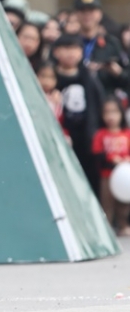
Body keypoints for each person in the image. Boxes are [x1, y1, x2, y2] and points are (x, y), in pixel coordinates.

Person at [53, 33, 104, 195]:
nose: (71, 53)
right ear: (56, 52)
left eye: (75, 49)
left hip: (85, 136)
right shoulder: (50, 76)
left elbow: (99, 103)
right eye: (66, 48)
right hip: (60, 134)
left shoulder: (88, 76)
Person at [73, 0, 128, 95]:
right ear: (76, 14)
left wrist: (117, 72)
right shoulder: (68, 42)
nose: (87, 15)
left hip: (107, 97)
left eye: (91, 10)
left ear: (100, 13)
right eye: (82, 11)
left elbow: (126, 78)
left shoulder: (112, 43)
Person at [92, 98, 130, 233]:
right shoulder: (100, 134)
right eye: (107, 112)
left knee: (124, 204)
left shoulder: (127, 134)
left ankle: (123, 224)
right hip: (107, 175)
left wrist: (126, 160)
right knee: (107, 203)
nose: (111, 116)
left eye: (114, 112)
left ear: (121, 113)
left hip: (125, 177)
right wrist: (111, 159)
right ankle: (106, 228)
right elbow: (97, 154)